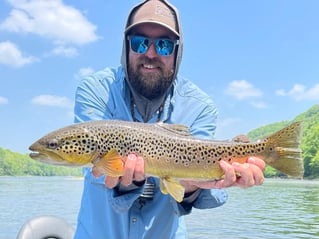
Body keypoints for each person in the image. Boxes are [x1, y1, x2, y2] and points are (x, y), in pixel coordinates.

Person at [73, 0, 265, 238]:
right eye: (139, 42)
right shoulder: (96, 90)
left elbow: (188, 195)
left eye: (163, 45)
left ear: (177, 51)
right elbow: (93, 170)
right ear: (126, 46)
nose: (150, 53)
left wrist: (192, 184)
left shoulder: (199, 106)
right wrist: (125, 183)